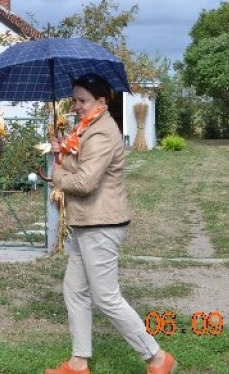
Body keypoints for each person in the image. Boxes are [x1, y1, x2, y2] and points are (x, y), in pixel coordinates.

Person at [45, 73, 176, 374]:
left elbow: (86, 181)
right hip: (87, 222)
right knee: (74, 289)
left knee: (105, 297)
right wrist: (61, 151)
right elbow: (81, 163)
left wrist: (57, 176)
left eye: (82, 100)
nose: (76, 105)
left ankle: (156, 357)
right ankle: (78, 363)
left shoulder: (102, 132)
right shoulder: (87, 128)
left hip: (101, 224)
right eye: (74, 99)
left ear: (101, 102)